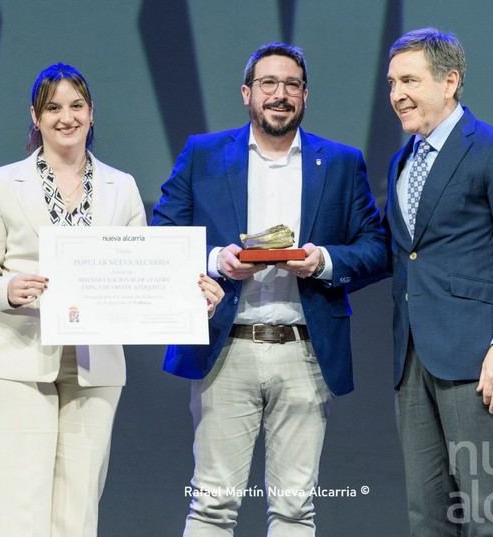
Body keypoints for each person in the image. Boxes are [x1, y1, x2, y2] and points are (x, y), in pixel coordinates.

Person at [0, 63, 223, 537]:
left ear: (92, 113)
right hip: (18, 359)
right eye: (54, 107)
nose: (67, 117)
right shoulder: (3, 182)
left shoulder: (119, 186)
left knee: (78, 511)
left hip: (94, 365)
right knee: (24, 507)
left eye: (76, 106)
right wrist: (5, 290)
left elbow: (144, 270)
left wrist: (190, 299)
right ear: (35, 117)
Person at [152, 42, 387, 536]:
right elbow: (162, 238)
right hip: (226, 348)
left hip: (304, 351)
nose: (280, 95)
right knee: (212, 507)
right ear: (246, 93)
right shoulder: (204, 154)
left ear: (305, 95)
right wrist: (216, 262)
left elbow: (377, 247)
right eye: (268, 84)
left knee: (296, 511)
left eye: (292, 85)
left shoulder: (342, 163)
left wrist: (324, 260)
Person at [383, 28, 493, 535]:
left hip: (479, 359)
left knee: (487, 516)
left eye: (409, 80)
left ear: (450, 81)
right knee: (426, 517)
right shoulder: (402, 159)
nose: (396, 95)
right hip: (413, 359)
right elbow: (407, 252)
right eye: (392, 82)